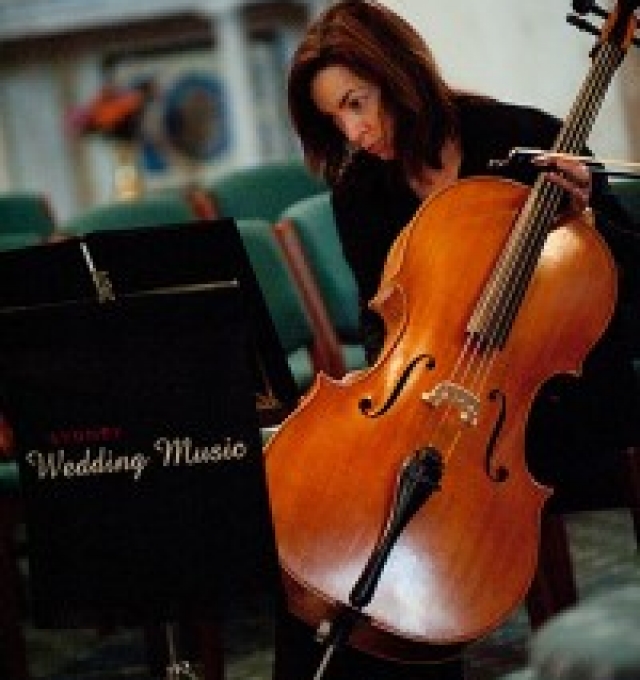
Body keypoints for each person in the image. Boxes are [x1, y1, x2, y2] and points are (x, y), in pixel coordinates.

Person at [273, 2, 640, 679]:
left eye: (357, 102)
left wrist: (586, 213)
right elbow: (377, 324)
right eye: (334, 118)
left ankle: (420, 638)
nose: (353, 130)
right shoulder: (361, 190)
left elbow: (630, 284)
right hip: (432, 391)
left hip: (545, 402)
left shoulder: (526, 138)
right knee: (336, 521)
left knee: (421, 512)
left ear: (398, 74)